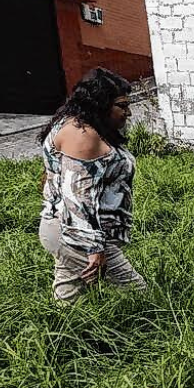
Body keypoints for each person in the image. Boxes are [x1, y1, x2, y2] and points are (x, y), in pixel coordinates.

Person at [38, 67, 144, 302]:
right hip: (75, 234)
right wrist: (94, 249)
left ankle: (61, 335)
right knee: (137, 296)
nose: (128, 113)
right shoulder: (82, 136)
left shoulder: (80, 126)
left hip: (64, 229)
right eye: (122, 105)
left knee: (70, 299)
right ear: (99, 104)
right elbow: (78, 199)